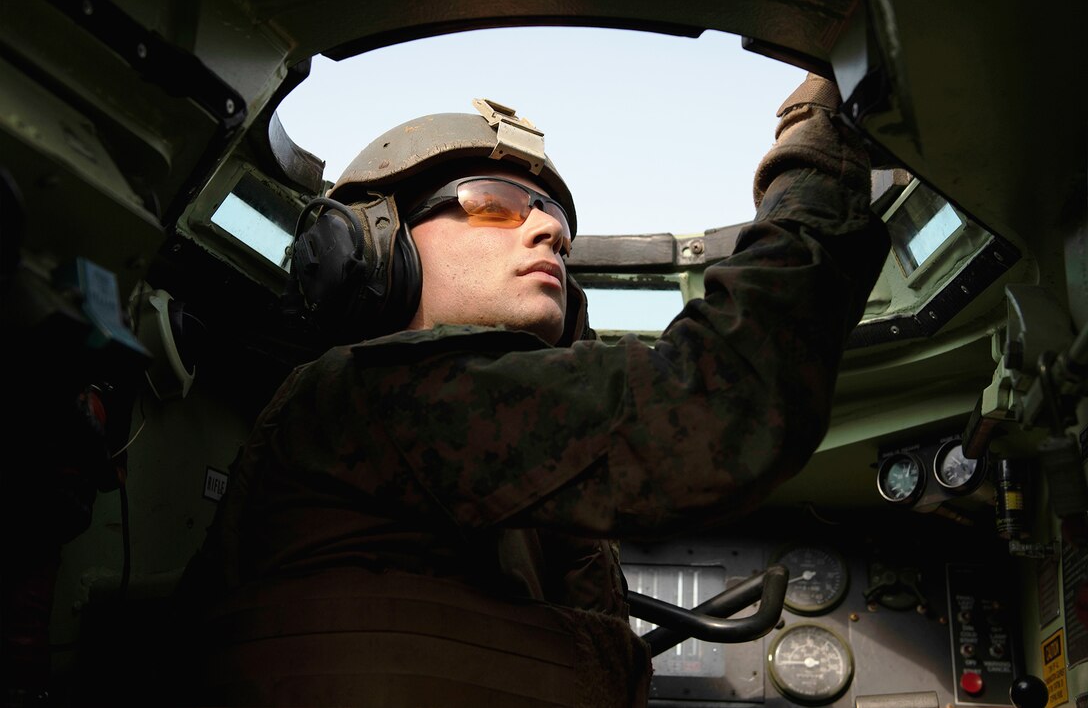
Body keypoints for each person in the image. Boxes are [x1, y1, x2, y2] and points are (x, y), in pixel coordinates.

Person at [180, 74, 890, 707]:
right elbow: (718, 404)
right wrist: (819, 148)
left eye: (555, 219)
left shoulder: (498, 475)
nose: (551, 229)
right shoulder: (362, 397)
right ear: (370, 246)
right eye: (494, 203)